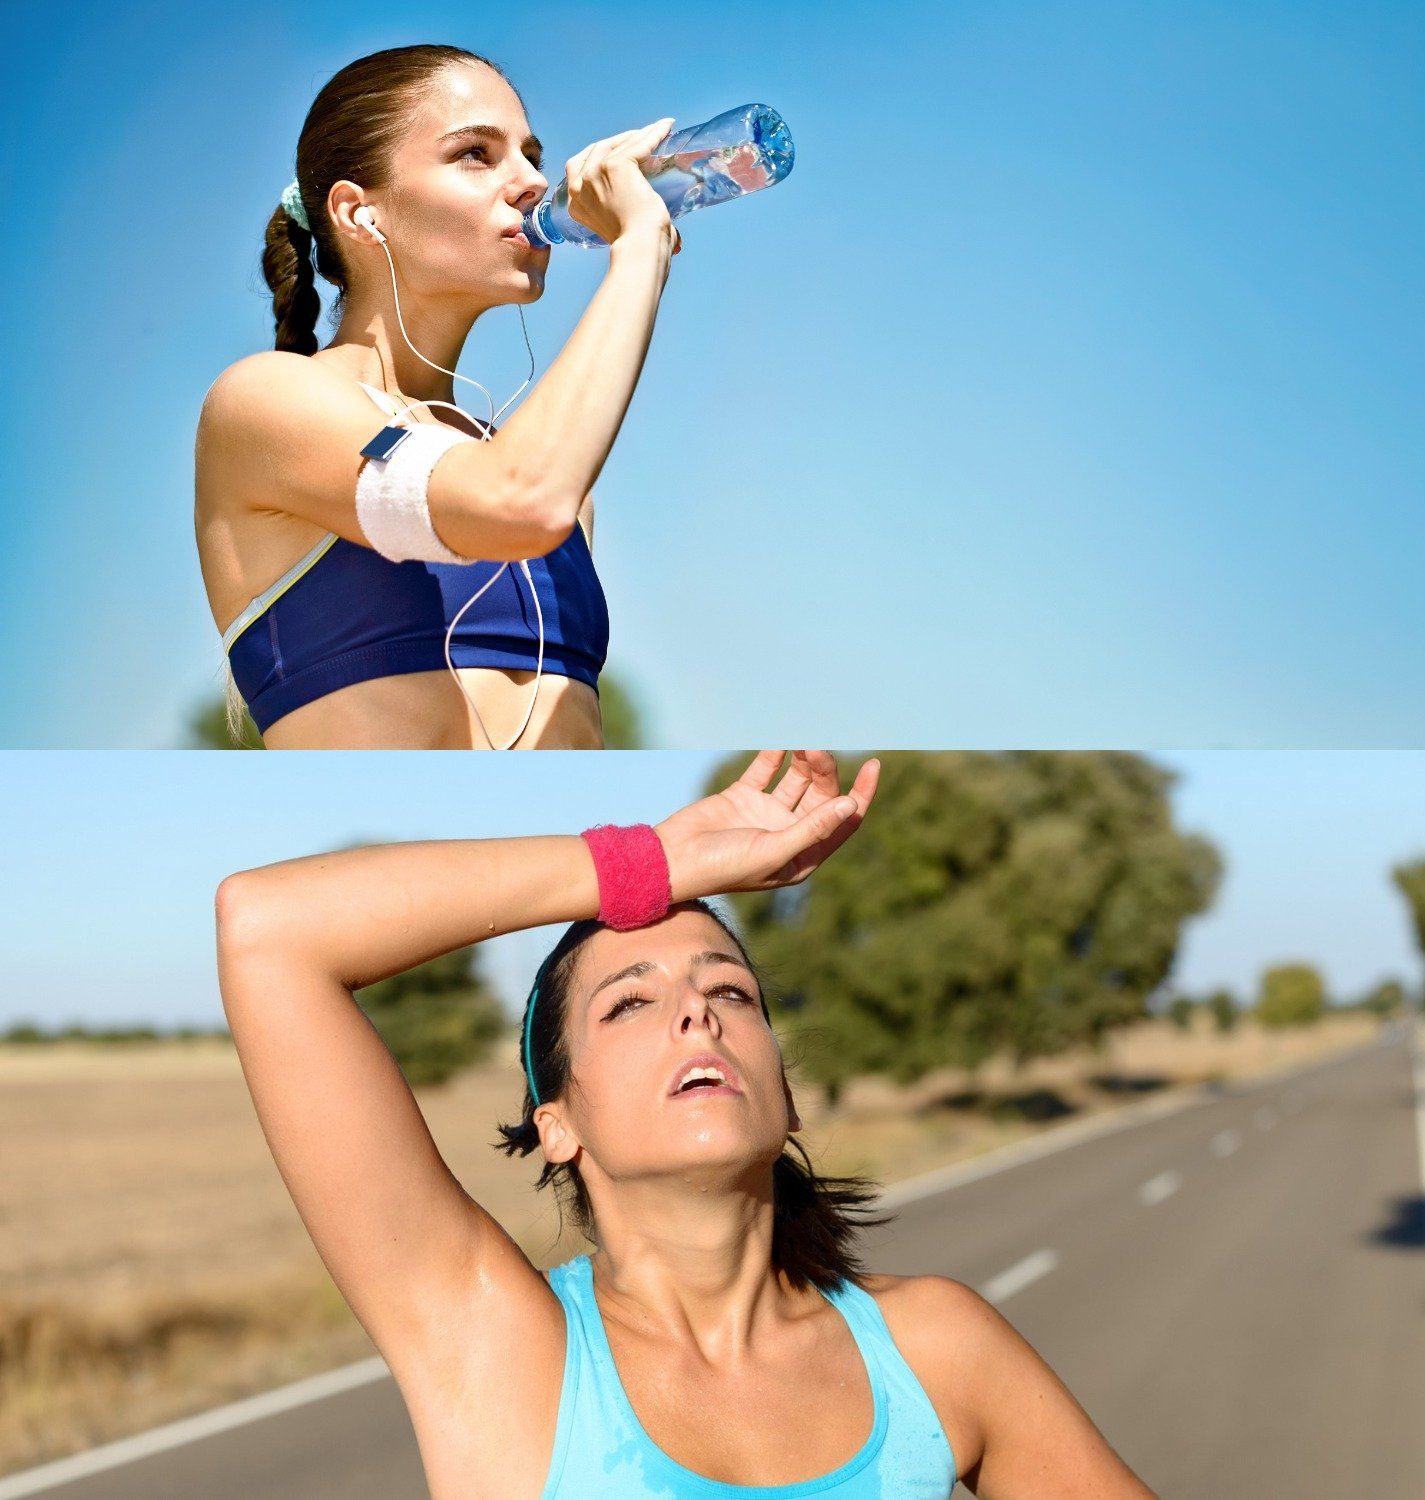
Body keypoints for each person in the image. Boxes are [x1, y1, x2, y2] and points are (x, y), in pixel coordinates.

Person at [215, 750, 1155, 1497]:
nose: (696, 1012)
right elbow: (269, 929)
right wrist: (649, 865)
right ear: (557, 1124)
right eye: (629, 1004)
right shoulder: (505, 1353)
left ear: (782, 1094)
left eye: (731, 990)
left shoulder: (935, 1347)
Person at [195, 44, 682, 749]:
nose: (530, 182)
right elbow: (518, 500)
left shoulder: (566, 490)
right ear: (359, 215)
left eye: (530, 154)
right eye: (476, 154)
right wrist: (638, 249)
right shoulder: (263, 400)